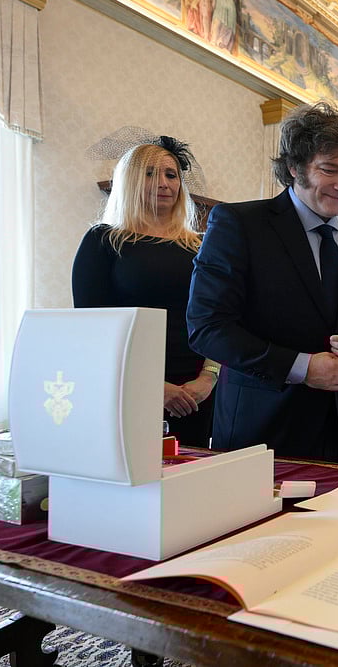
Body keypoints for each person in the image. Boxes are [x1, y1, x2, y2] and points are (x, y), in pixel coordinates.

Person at [187, 102, 338, 462]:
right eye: (330, 170)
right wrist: (301, 367)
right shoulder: (239, 225)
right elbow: (207, 327)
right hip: (259, 428)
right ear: (294, 167)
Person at [73, 139, 219, 447]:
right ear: (130, 180)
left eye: (171, 174)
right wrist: (156, 387)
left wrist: (208, 378)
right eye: (151, 174)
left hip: (196, 390)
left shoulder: (204, 245)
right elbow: (94, 329)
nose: (164, 183)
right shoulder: (103, 240)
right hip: (129, 385)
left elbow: (219, 316)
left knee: (190, 482)